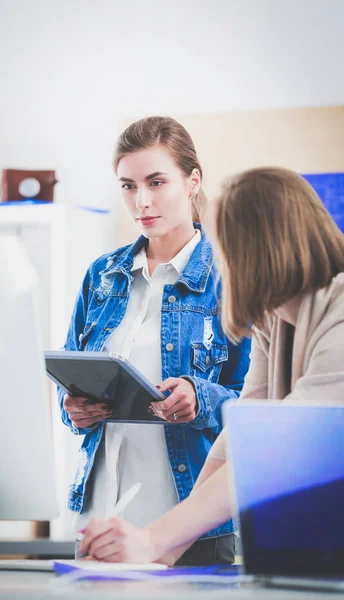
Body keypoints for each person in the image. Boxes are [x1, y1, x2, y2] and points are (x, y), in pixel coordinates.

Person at [79, 166, 344, 564]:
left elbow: (281, 450)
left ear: (253, 250)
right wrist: (164, 552)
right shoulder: (276, 320)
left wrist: (153, 540)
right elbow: (239, 440)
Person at [58, 116, 251, 566]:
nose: (141, 201)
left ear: (193, 181)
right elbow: (70, 386)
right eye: (128, 186)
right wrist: (75, 411)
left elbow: (260, 407)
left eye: (156, 181)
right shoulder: (100, 277)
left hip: (188, 524)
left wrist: (200, 398)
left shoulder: (232, 280)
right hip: (98, 517)